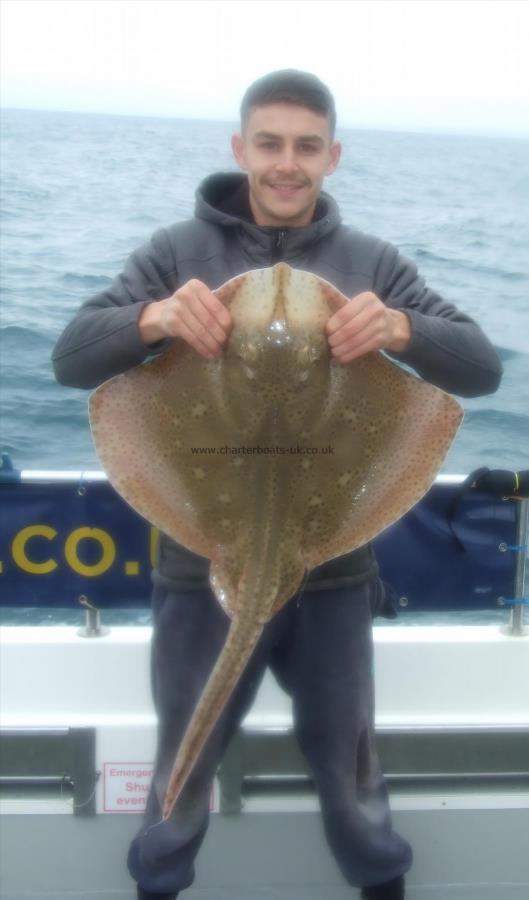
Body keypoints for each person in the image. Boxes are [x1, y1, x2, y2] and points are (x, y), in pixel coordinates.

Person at [52, 70, 503, 900]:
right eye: (269, 143)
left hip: (331, 571)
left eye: (304, 146)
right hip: (199, 561)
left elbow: (479, 370)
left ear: (331, 155)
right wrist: (152, 319)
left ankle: (379, 881)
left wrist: (400, 327)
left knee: (348, 756)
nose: (286, 163)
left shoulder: (370, 262)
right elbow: (72, 357)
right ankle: (159, 879)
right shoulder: (175, 254)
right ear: (240, 149)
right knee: (182, 760)